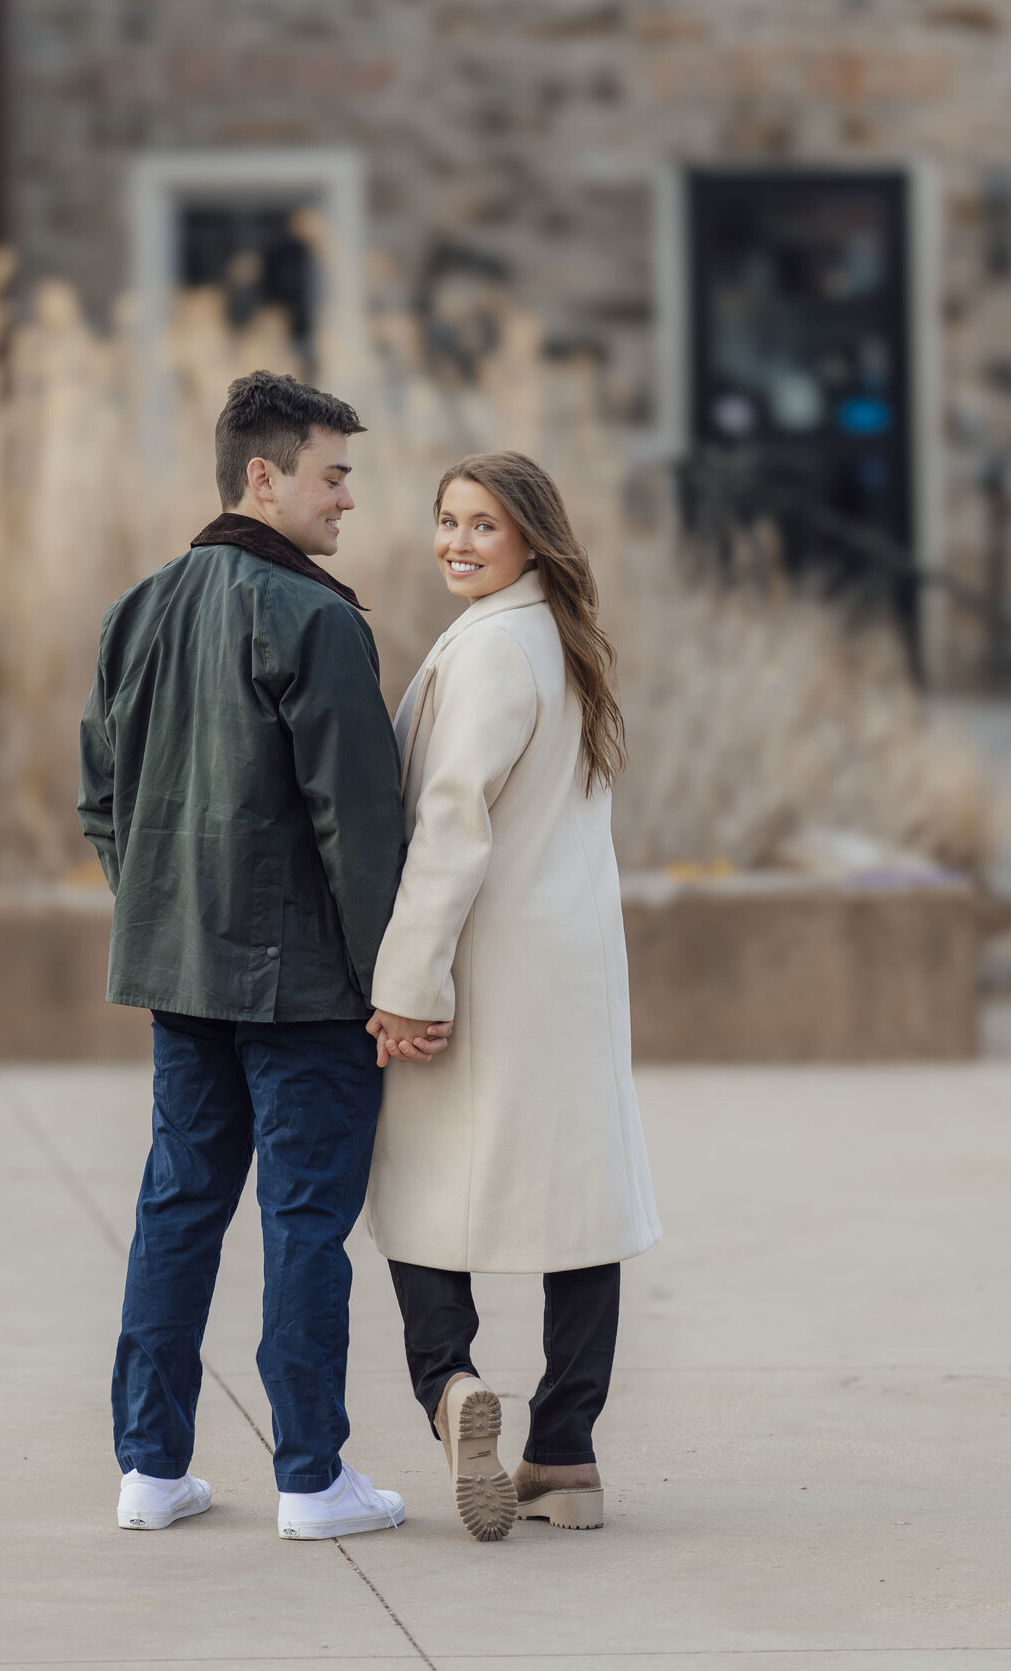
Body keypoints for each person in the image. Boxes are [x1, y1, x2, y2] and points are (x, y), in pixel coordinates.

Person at [78, 370, 449, 1539]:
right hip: (303, 988)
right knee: (302, 1225)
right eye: (332, 476)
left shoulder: (135, 607)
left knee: (178, 1208)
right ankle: (311, 1479)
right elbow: (361, 822)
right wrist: (398, 983)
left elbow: (101, 798)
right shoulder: (317, 618)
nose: (348, 500)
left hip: (180, 974)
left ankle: (149, 1471)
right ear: (264, 476)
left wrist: (161, 906)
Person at [363, 450, 661, 1543]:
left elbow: (451, 831)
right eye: (446, 520)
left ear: (532, 536)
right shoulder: (563, 641)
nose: (457, 542)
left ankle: (450, 1389)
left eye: (482, 525)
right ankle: (566, 1453)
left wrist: (407, 985)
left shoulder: (491, 649)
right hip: (572, 965)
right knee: (581, 1207)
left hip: (484, 967)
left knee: (420, 1197)